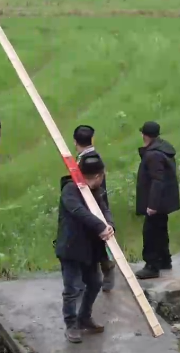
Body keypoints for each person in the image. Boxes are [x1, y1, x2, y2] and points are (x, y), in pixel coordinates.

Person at [55, 146, 114, 344]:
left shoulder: (96, 191)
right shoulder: (70, 190)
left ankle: (84, 318)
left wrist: (109, 226)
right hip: (71, 248)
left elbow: (104, 210)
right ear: (98, 175)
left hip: (90, 249)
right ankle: (71, 324)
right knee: (72, 288)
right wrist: (100, 226)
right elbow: (79, 211)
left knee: (95, 282)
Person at [134, 121, 180, 280]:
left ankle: (152, 266)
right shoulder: (163, 148)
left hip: (157, 203)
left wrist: (152, 205)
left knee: (150, 233)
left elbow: (157, 180)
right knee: (160, 231)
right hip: (164, 201)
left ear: (145, 135)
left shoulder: (153, 155)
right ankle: (164, 260)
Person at [73, 125, 115, 292]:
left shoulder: (91, 160)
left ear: (75, 141)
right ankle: (91, 276)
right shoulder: (87, 158)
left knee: (100, 242)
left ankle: (107, 271)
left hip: (96, 205)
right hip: (86, 205)